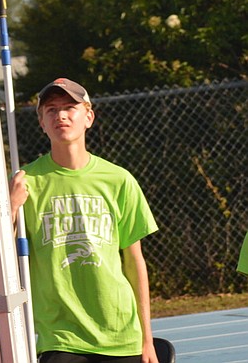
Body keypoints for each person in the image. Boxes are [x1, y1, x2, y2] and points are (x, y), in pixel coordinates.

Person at [9, 78, 158, 363]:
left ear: (88, 116)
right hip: (61, 337)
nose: (61, 115)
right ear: (41, 122)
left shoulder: (118, 180)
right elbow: (2, 255)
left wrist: (146, 338)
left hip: (120, 334)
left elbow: (134, 261)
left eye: (69, 107)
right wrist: (12, 208)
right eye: (51, 109)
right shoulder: (25, 183)